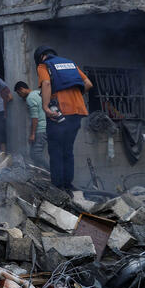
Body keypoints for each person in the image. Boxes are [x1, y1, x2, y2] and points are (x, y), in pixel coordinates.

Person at [35, 46, 93, 190]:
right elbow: (88, 84)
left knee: (55, 150)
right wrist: (76, 96)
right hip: (78, 112)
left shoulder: (44, 65)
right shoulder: (71, 64)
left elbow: (46, 83)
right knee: (68, 149)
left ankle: (58, 187)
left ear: (41, 56)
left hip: (60, 113)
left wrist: (46, 107)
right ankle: (68, 185)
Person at [14, 81, 47, 167]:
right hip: (47, 127)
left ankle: (52, 170)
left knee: (36, 154)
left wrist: (32, 134)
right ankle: (42, 173)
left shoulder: (30, 98)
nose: (19, 96)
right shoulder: (37, 93)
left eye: (18, 93)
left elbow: (35, 118)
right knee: (34, 154)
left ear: (21, 89)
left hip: (40, 129)